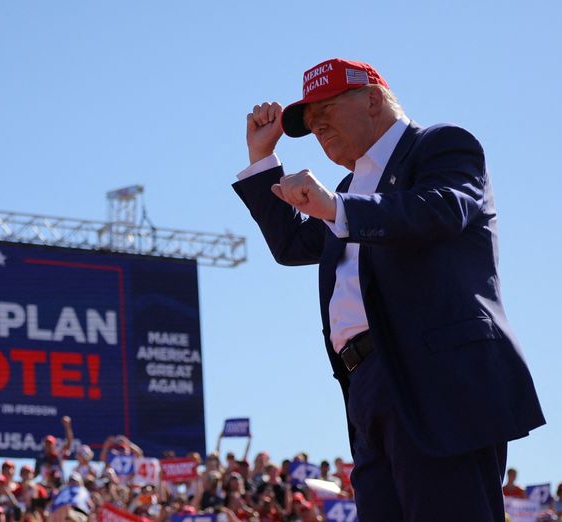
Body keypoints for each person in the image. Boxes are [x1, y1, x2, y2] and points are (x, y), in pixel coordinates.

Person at [233, 57, 545, 520]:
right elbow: (293, 244)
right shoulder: (348, 187)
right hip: (368, 387)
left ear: (374, 100)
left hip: (436, 380)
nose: (318, 128)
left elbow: (441, 211)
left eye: (326, 112)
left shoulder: (440, 145)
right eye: (311, 123)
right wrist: (263, 161)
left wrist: (337, 207)